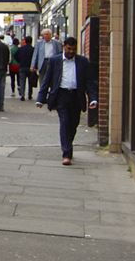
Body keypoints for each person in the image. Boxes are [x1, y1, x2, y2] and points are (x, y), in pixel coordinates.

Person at [35, 37, 98, 165]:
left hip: (76, 96)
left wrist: (93, 98)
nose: (71, 52)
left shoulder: (83, 62)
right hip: (61, 96)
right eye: (69, 49)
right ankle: (67, 154)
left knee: (73, 125)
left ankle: (67, 143)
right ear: (64, 47)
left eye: (74, 49)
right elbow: (47, 80)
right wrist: (40, 99)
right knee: (64, 122)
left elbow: (89, 82)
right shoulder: (54, 61)